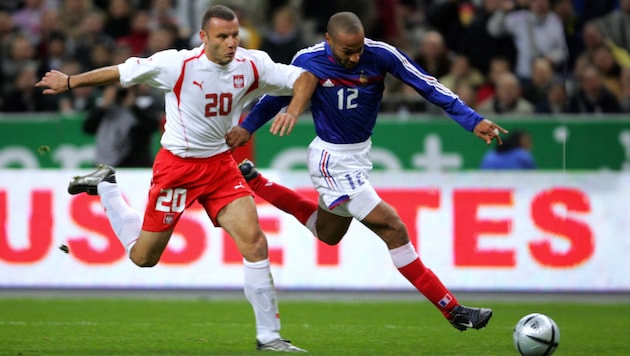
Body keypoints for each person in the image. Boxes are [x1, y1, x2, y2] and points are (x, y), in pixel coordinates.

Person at [36, 5, 315, 353]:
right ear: (203, 37)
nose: (231, 43)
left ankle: (269, 337)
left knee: (255, 242)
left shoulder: (252, 63)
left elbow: (303, 78)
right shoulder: (177, 65)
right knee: (143, 258)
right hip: (177, 169)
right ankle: (106, 186)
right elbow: (121, 72)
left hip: (219, 166)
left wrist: (292, 108)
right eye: (222, 37)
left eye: (235, 35)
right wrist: (70, 81)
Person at [226, 11, 506, 332]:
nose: (356, 57)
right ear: (328, 41)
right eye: (348, 52)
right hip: (331, 159)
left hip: (359, 157)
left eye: (359, 49)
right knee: (394, 228)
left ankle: (256, 182)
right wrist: (247, 128)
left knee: (326, 233)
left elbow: (427, 86)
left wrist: (472, 120)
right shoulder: (308, 60)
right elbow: (274, 97)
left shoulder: (381, 54)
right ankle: (452, 309)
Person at [83, 85, 160, 168]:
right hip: (106, 164)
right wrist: (104, 106)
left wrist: (133, 106)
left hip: (133, 165)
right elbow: (88, 128)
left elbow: (153, 126)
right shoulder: (103, 105)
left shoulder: (144, 104)